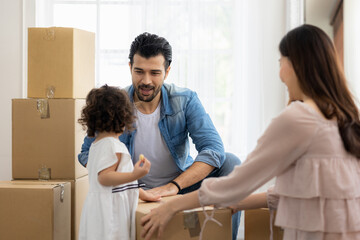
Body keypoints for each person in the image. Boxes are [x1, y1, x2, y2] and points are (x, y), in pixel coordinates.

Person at [140, 24, 360, 240]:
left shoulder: (299, 118)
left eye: (280, 62)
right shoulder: (345, 117)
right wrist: (237, 203)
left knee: (229, 160)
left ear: (295, 65)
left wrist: (173, 205)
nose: (280, 73)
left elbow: (238, 182)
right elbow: (304, 192)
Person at [78, 32, 242, 240]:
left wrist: (173, 186)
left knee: (232, 163)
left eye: (155, 73)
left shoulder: (185, 100)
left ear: (167, 71)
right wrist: (127, 180)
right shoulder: (114, 104)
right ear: (130, 68)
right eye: (139, 71)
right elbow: (86, 153)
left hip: (180, 185)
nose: (146, 81)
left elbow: (213, 149)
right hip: (134, 187)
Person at [78, 85, 160, 240]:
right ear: (123, 117)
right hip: (110, 211)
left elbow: (120, 182)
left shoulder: (97, 145)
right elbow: (105, 177)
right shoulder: (112, 145)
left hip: (98, 208)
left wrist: (144, 194)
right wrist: (135, 174)